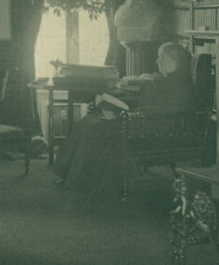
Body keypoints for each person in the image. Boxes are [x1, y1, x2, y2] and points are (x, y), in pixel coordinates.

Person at [52, 42, 196, 198]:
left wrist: (128, 114)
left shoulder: (179, 84)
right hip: (140, 121)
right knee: (90, 121)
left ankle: (79, 180)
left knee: (95, 128)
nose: (157, 61)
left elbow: (170, 111)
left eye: (160, 57)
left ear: (173, 60)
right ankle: (68, 175)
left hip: (150, 127)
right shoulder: (166, 79)